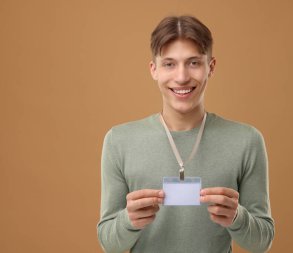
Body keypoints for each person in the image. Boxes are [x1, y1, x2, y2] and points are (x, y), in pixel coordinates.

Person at [97, 15, 274, 253]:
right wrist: (128, 221)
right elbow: (109, 244)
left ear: (210, 67)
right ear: (154, 70)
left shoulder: (247, 141)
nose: (181, 77)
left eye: (193, 63)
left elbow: (262, 243)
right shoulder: (119, 141)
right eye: (169, 64)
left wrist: (237, 217)